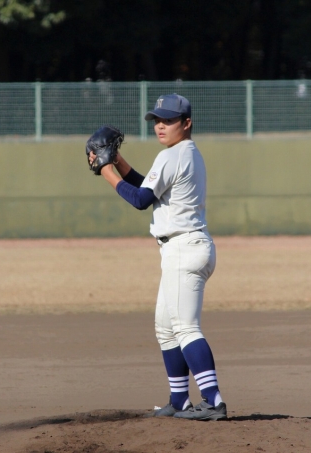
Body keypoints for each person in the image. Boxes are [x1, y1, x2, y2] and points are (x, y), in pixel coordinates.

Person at [89, 94, 227, 421]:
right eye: (157, 120)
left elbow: (139, 200)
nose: (160, 126)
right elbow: (149, 190)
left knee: (185, 328)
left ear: (186, 123)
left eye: (168, 120)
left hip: (183, 249)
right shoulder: (186, 153)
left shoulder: (171, 155)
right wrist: (118, 161)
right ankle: (179, 401)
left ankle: (213, 401)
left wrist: (106, 169)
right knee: (166, 328)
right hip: (185, 248)